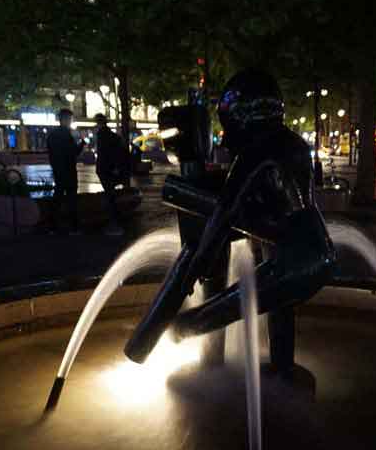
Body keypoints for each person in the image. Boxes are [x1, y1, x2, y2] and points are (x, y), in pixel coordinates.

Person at [124, 69, 337, 375]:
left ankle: (173, 345)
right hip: (317, 250)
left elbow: (224, 211)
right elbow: (275, 203)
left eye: (229, 125)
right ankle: (281, 371)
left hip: (294, 261)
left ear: (244, 117)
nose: (225, 138)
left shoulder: (255, 151)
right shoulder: (293, 144)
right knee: (278, 305)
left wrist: (199, 263)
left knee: (196, 320)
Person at [46, 108, 84, 234]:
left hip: (58, 170)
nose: (71, 121)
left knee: (57, 197)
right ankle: (73, 226)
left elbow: (51, 153)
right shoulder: (68, 134)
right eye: (70, 119)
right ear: (66, 119)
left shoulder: (52, 135)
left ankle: (52, 226)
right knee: (72, 199)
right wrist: (82, 143)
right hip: (69, 170)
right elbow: (73, 153)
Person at [93, 113, 126, 236]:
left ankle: (114, 224)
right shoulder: (113, 135)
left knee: (110, 196)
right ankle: (116, 222)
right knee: (111, 195)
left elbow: (105, 154)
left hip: (105, 169)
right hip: (111, 169)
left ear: (98, 123)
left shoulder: (102, 135)